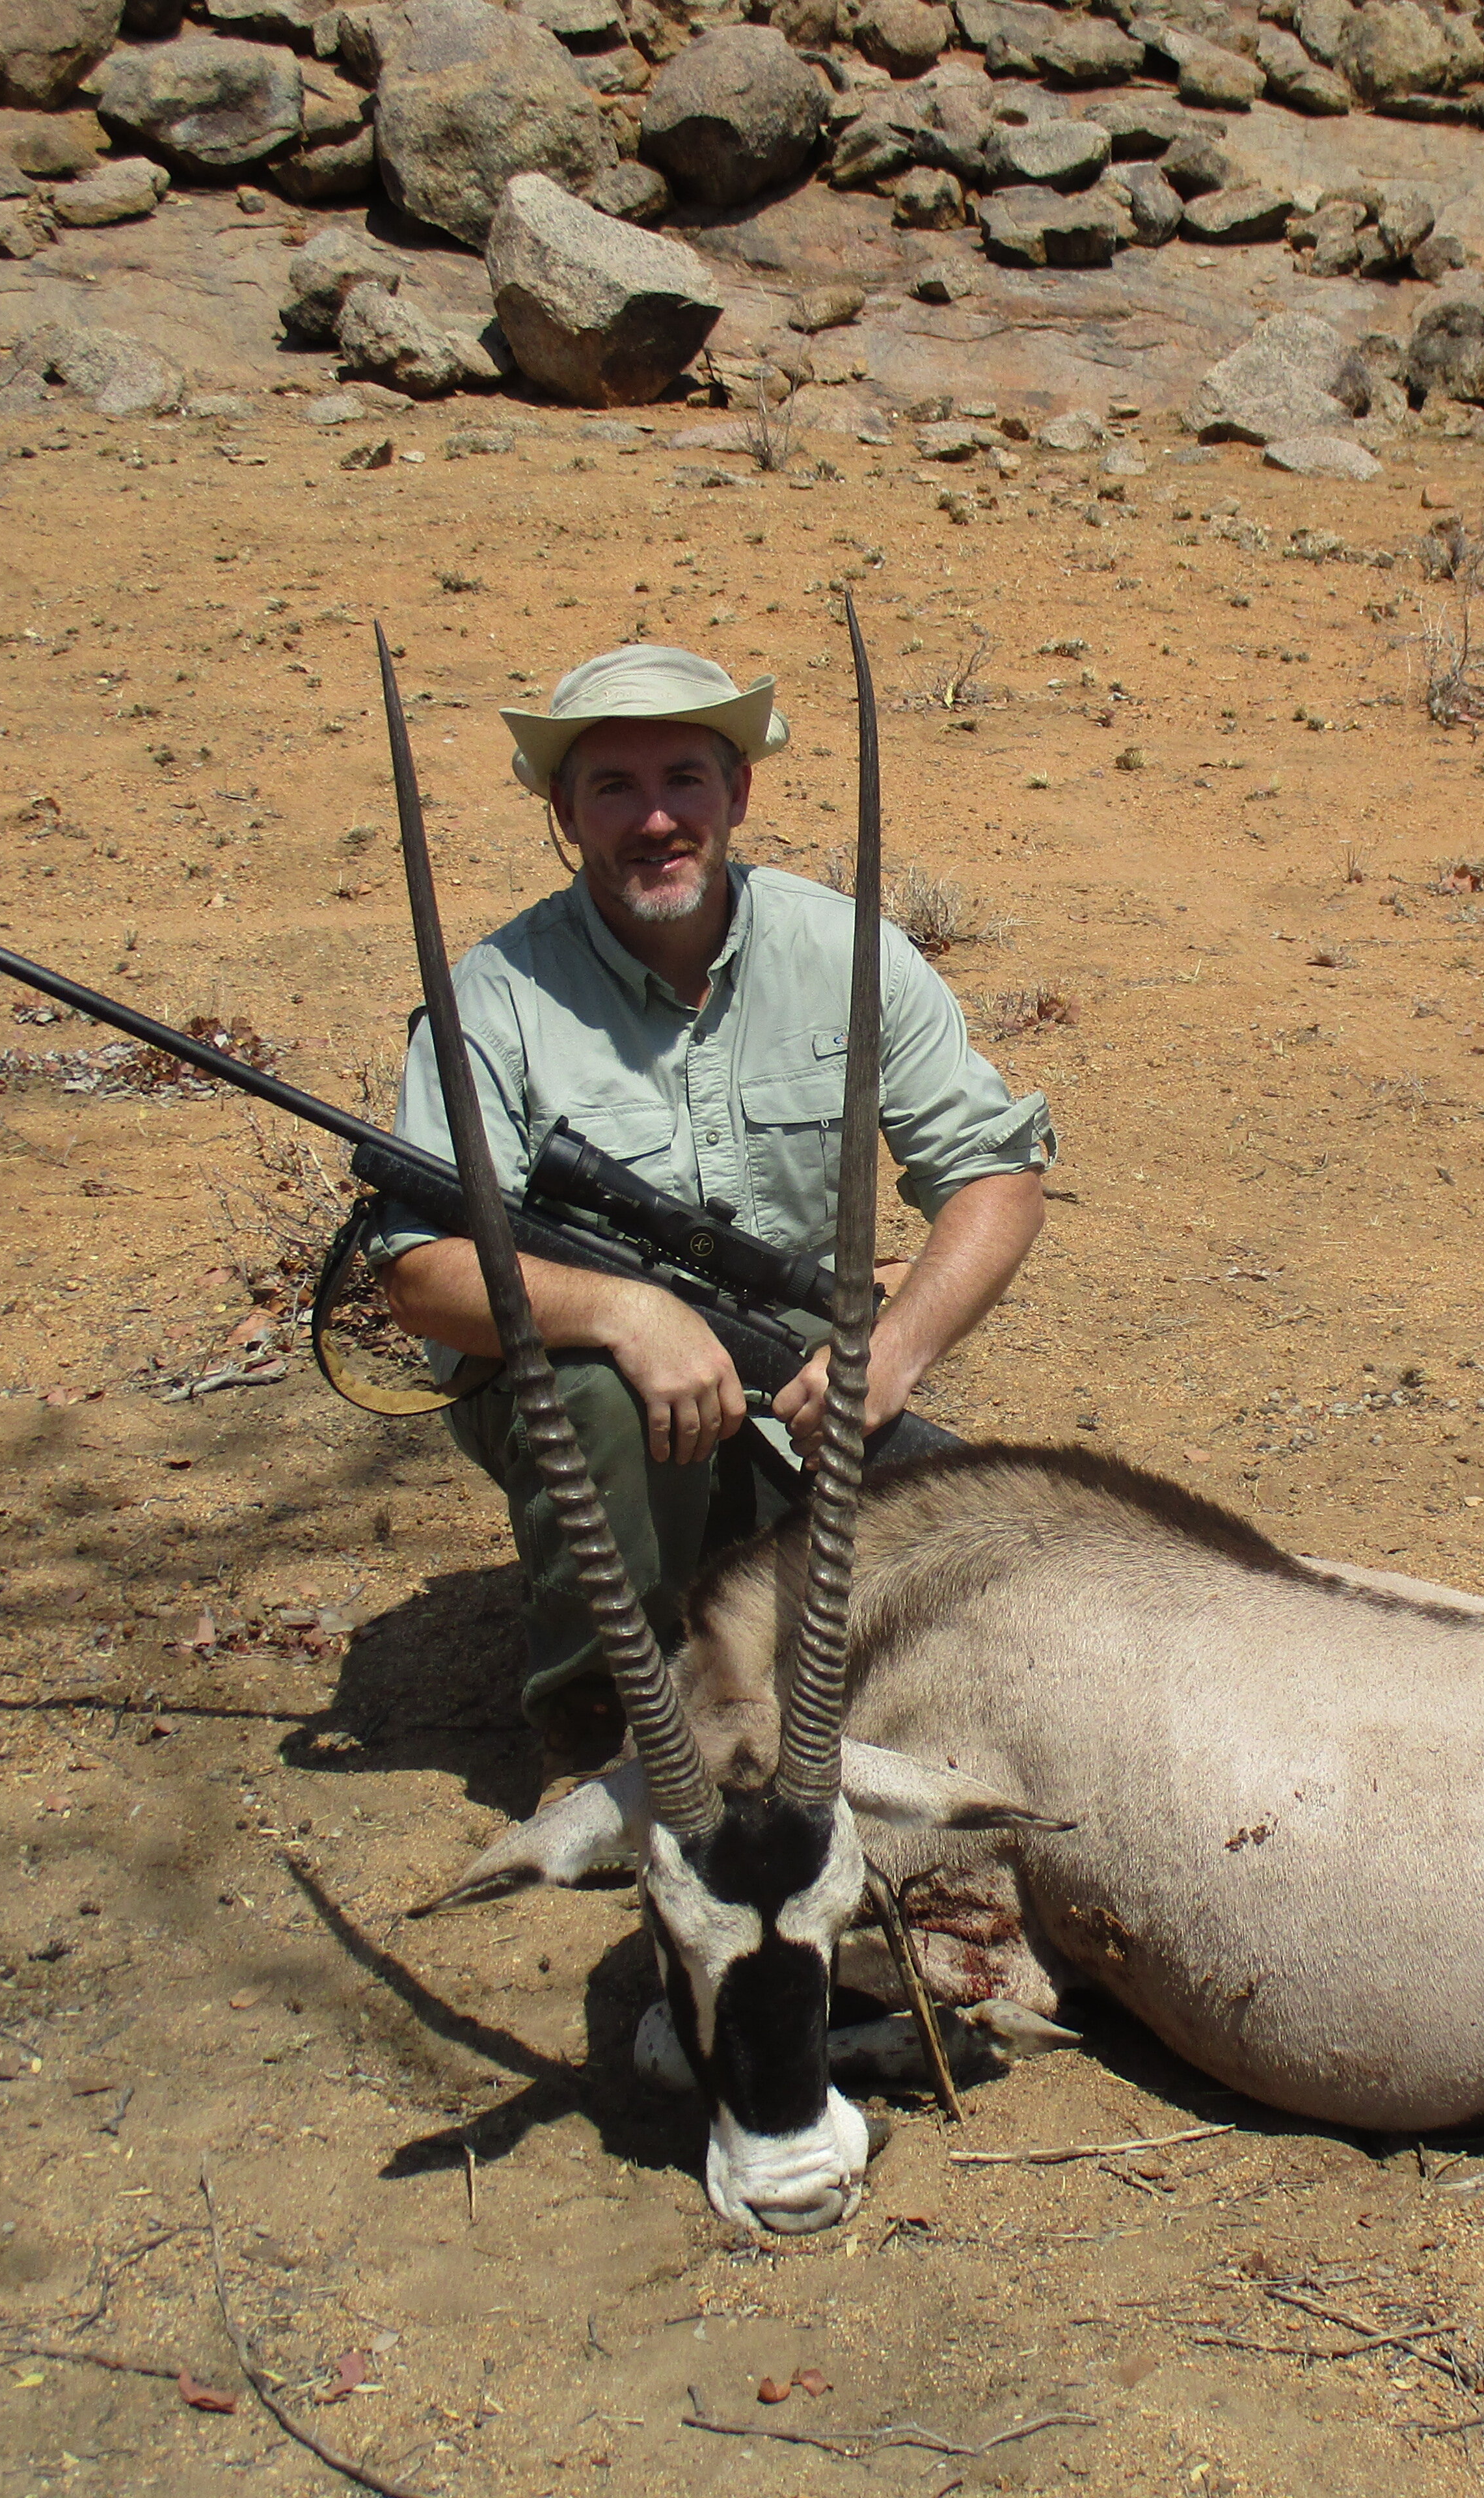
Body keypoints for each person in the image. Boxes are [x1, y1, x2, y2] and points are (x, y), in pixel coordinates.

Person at [371, 644, 1053, 1735]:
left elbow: (996, 1174)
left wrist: (895, 1350)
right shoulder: (493, 997)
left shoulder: (845, 949)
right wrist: (628, 1311)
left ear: (736, 791)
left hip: (784, 1354)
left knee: (985, 1587)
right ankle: (604, 1724)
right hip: (585, 1381)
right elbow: (419, 1275)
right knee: (597, 1390)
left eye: (684, 778)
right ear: (563, 808)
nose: (655, 820)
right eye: (614, 787)